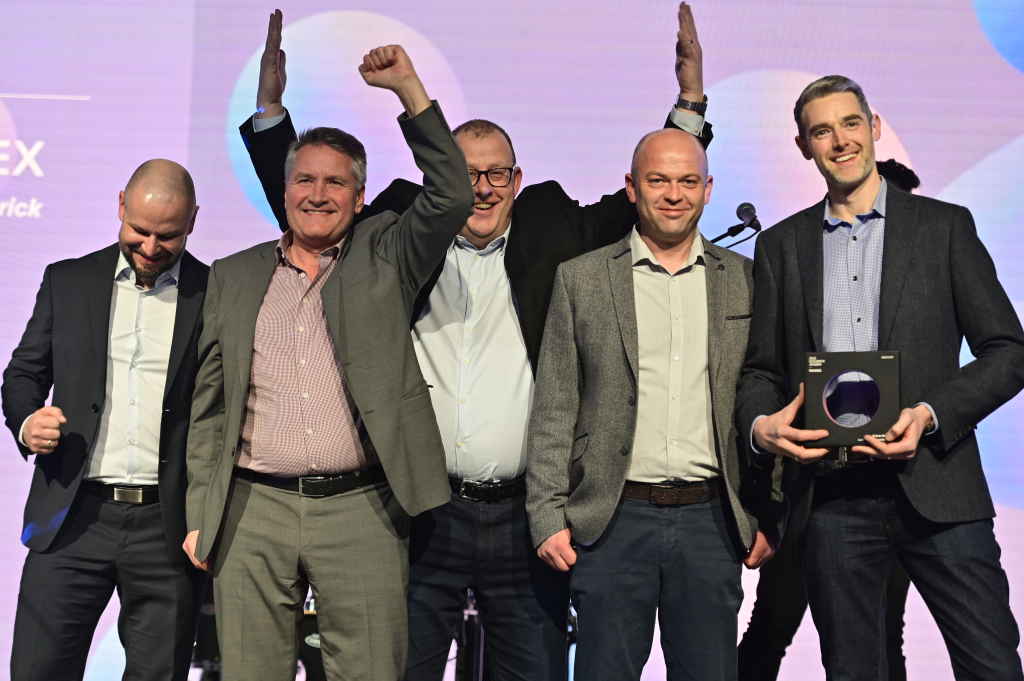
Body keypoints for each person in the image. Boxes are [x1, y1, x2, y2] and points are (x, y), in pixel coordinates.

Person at [237, 5, 717, 680]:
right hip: (424, 511)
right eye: (467, 174)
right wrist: (270, 114)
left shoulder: (552, 227)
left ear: (517, 181)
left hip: (524, 516)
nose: (482, 189)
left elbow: (647, 200)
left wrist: (689, 104)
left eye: (496, 174)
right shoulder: (399, 231)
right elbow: (315, 211)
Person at [181, 44, 473, 681]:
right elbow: (210, 409)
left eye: (335, 182)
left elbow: (453, 196)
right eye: (305, 180)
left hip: (361, 508)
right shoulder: (234, 275)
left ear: (360, 197)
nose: (318, 195)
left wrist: (408, 89)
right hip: (252, 509)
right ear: (284, 190)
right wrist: (202, 511)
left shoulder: (386, 255)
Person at [737, 74, 1024, 681]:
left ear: (873, 127)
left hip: (940, 488)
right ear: (803, 147)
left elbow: (1008, 351)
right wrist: (762, 427)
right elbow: (761, 369)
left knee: (993, 667)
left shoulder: (944, 227)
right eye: (822, 131)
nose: (840, 141)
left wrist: (930, 414)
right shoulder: (781, 247)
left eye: (850, 123)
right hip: (832, 500)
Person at [527, 126, 775, 681]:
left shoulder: (746, 281)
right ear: (632, 187)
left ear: (708, 189)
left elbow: (765, 393)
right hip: (611, 521)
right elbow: (554, 406)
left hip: (712, 520)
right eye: (658, 180)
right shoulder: (582, 279)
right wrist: (546, 516)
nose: (674, 194)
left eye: (687, 181)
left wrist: (770, 513)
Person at [2, 160, 207, 681]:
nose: (150, 247)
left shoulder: (215, 292)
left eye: (168, 236)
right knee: (39, 670)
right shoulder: (67, 281)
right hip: (71, 517)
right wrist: (27, 422)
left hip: (168, 526)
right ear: (120, 206)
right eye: (139, 230)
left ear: (193, 221)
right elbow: (23, 374)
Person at [736, 158, 920, 681]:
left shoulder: (912, 303)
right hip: (806, 495)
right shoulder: (806, 274)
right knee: (772, 626)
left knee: (883, 635)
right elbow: (766, 375)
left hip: (896, 490)